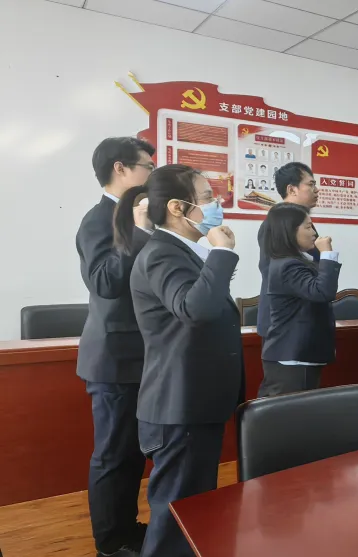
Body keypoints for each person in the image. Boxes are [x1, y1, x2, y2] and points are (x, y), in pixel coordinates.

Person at [114, 164, 242, 557]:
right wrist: (222, 253)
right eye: (207, 198)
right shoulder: (160, 254)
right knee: (175, 518)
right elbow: (195, 309)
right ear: (177, 207)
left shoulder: (184, 251)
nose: (216, 204)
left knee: (192, 512)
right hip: (178, 406)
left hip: (194, 403)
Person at [76, 137, 155, 557]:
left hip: (143, 357)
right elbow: (105, 281)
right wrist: (138, 232)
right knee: (112, 455)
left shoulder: (137, 215)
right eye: (147, 167)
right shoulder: (98, 219)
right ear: (121, 168)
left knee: (132, 455)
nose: (151, 175)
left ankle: (127, 528)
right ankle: (109, 543)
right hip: (114, 359)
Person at [258, 203, 341, 397]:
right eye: (308, 227)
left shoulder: (296, 261)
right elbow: (322, 291)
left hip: (299, 355)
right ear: (290, 231)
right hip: (292, 357)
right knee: (290, 413)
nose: (314, 233)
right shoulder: (288, 265)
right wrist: (327, 254)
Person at [256, 162, 319, 336]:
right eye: (311, 184)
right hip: (284, 324)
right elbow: (275, 273)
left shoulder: (299, 221)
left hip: (300, 320)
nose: (316, 190)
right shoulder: (276, 225)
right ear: (292, 189)